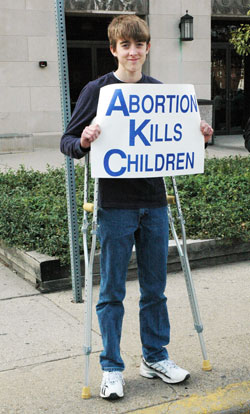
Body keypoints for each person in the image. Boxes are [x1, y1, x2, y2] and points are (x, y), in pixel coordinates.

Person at [60, 15, 213, 400]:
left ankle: (155, 356)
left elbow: (179, 144)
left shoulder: (160, 92)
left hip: (154, 203)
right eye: (125, 45)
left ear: (147, 48)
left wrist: (202, 137)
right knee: (112, 291)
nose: (133, 52)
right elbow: (67, 141)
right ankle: (111, 367)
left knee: (155, 289)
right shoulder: (98, 90)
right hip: (115, 206)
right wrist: (84, 139)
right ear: (114, 49)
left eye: (139, 44)